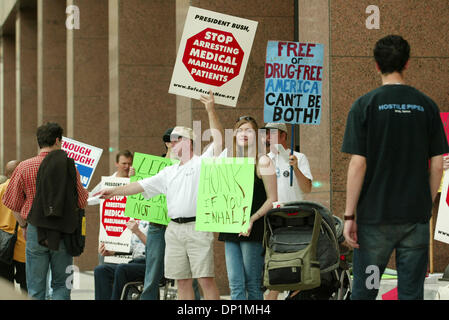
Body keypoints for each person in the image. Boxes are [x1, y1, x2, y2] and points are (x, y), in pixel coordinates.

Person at [341, 35, 448, 300]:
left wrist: (348, 216)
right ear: (407, 63)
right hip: (414, 220)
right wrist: (425, 201)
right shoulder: (426, 106)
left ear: (377, 65)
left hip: (374, 223)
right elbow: (437, 165)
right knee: (411, 293)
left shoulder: (364, 106)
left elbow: (358, 164)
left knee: (367, 289)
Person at [95, 92, 222, 300]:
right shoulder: (168, 172)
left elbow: (217, 140)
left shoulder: (203, 162)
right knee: (182, 281)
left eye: (176, 140)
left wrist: (210, 109)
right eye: (171, 141)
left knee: (205, 279)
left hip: (197, 227)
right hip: (173, 230)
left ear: (189, 142)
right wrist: (112, 191)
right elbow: (139, 185)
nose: (171, 144)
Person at [2, 122, 89, 300]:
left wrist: (24, 225)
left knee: (35, 287)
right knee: (61, 284)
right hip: (64, 232)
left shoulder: (24, 167)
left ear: (39, 142)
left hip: (35, 231)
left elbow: (11, 202)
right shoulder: (69, 166)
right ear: (58, 140)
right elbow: (82, 200)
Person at [217, 115, 278, 300]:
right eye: (240, 130)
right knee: (235, 284)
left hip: (253, 228)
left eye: (248, 130)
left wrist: (252, 219)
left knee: (252, 284)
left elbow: (273, 199)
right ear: (234, 134)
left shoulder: (263, 161)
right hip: (230, 226)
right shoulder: (229, 162)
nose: (244, 133)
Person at [262, 122, 313, 300]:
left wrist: (296, 168)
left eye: (273, 134)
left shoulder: (299, 157)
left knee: (295, 264)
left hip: (296, 219)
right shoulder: (264, 159)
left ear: (284, 135)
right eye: (267, 134)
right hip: (273, 220)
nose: (268, 138)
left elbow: (307, 188)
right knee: (276, 265)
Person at [94, 219, 149, 300]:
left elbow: (156, 248)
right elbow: (132, 247)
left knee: (122, 268)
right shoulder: (138, 220)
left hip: (151, 264)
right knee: (101, 270)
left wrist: (138, 232)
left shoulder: (158, 222)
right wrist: (112, 252)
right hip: (135, 262)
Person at [0, 160, 26, 292]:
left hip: (3, 246)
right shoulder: (26, 189)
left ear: (6, 173)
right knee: (26, 287)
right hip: (23, 246)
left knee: (6, 288)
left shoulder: (0, 189)